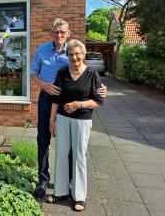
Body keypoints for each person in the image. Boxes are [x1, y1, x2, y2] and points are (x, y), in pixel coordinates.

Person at [30, 18, 106, 198]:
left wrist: (101, 88)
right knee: (43, 139)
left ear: (68, 33)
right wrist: (45, 85)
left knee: (70, 143)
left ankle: (71, 181)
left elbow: (86, 73)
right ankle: (43, 179)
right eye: (56, 32)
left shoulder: (72, 51)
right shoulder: (41, 50)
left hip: (68, 104)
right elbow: (33, 73)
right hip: (47, 99)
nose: (59, 35)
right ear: (51, 33)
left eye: (63, 32)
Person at [48, 39, 103, 212]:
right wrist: (52, 120)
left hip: (82, 119)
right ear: (67, 56)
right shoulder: (62, 73)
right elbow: (56, 98)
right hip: (62, 119)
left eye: (77, 54)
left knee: (79, 156)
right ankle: (61, 191)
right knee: (61, 154)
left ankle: (79, 196)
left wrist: (77, 105)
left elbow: (98, 101)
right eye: (71, 54)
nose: (74, 57)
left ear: (83, 54)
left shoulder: (92, 73)